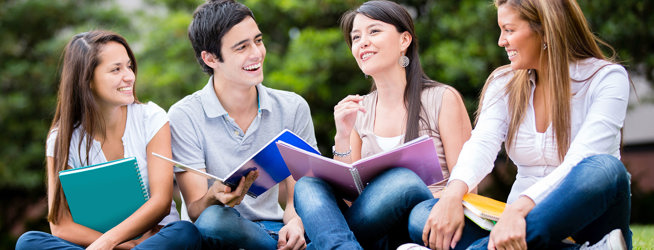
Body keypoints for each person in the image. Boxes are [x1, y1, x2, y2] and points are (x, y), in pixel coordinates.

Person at [409, 0, 632, 249]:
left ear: (546, 30)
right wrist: (452, 195)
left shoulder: (607, 79)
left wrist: (519, 211)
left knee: (605, 167)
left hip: (582, 222)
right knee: (424, 215)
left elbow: (581, 159)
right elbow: (482, 144)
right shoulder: (504, 82)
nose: (501, 41)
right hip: (513, 222)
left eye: (509, 30)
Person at [293, 1, 472, 249]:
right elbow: (351, 202)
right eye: (356, 37)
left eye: (374, 31)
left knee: (401, 181)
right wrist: (342, 136)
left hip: (424, 219)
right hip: (373, 230)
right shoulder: (359, 110)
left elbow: (469, 184)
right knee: (307, 185)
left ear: (404, 40)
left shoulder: (442, 98)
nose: (362, 42)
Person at [15, 31, 201, 250]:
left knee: (185, 232)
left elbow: (160, 203)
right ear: (87, 80)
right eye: (116, 69)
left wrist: (109, 241)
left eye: (129, 66)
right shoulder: (61, 138)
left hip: (154, 240)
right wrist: (123, 246)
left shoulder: (151, 118)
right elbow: (61, 225)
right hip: (109, 246)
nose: (129, 76)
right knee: (29, 242)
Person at [167, 0, 315, 249]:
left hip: (274, 229)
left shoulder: (292, 107)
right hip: (219, 233)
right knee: (212, 220)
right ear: (211, 58)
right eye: (242, 47)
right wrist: (213, 196)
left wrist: (296, 224)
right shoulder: (184, 115)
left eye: (258, 41)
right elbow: (195, 211)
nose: (257, 53)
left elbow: (299, 196)